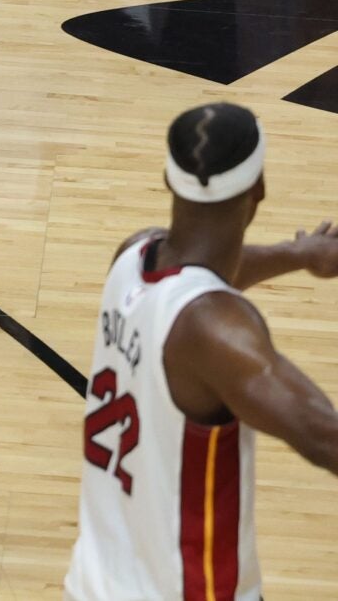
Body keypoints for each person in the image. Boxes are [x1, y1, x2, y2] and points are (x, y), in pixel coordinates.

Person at [65, 102, 338, 601]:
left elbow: (206, 272)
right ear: (259, 189)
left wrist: (300, 254)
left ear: (170, 182)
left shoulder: (132, 256)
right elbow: (325, 438)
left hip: (91, 583)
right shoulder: (217, 332)